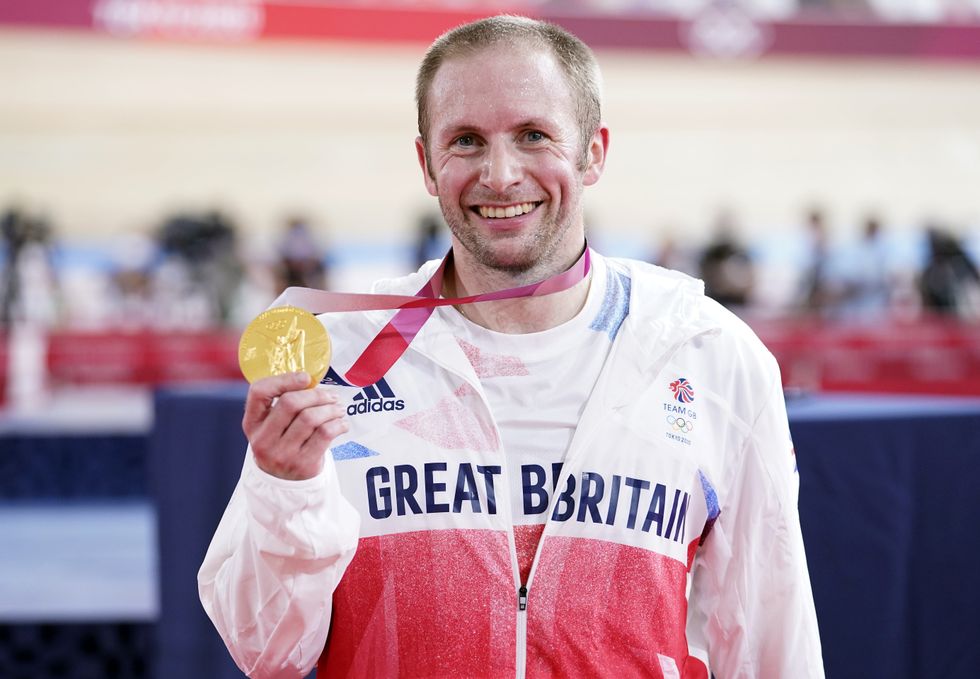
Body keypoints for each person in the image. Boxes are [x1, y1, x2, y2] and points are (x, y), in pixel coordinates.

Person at [199, 15, 824, 678]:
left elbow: (771, 646)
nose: (500, 174)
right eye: (466, 140)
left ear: (594, 153)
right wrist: (285, 489)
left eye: (533, 135)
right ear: (426, 164)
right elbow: (265, 651)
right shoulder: (342, 355)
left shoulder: (711, 355)